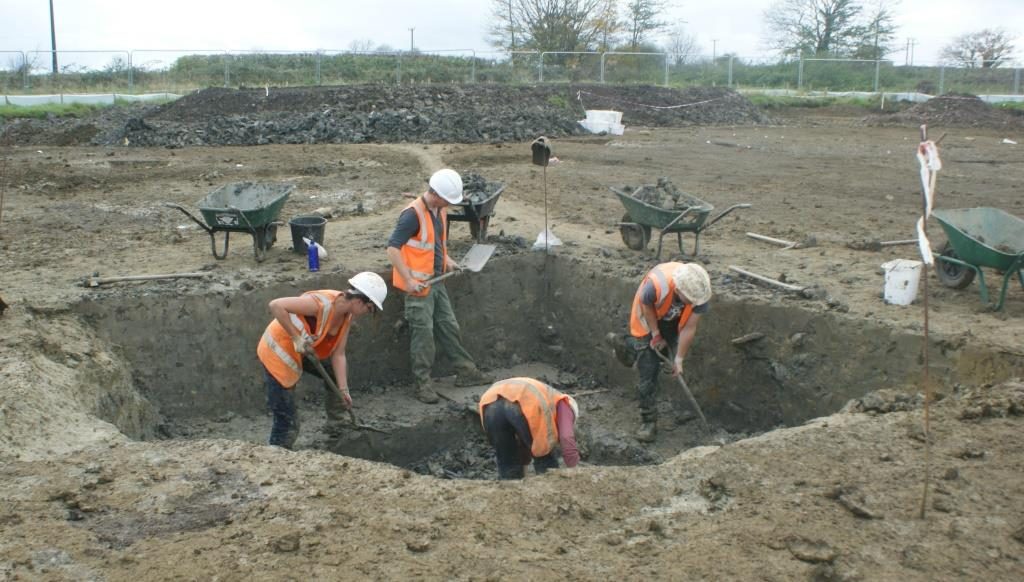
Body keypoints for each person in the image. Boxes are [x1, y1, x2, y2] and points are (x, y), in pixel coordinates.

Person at [386, 168, 492, 404]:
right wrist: (410, 280)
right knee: (423, 337)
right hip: (419, 287)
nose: (450, 205)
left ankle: (466, 371)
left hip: (436, 280)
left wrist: (449, 261)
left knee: (448, 326)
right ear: (435, 193)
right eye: (448, 200)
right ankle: (422, 384)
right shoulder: (411, 215)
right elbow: (392, 249)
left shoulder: (439, 210)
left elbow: (435, 246)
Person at [256, 272, 387, 449]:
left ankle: (337, 424)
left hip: (303, 351)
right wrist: (296, 338)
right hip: (278, 352)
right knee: (288, 423)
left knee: (334, 374)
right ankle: (276, 459)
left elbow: (338, 354)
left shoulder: (346, 316)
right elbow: (276, 305)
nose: (366, 313)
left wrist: (343, 390)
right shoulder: (321, 304)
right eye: (369, 309)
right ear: (358, 301)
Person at [607, 262, 712, 443]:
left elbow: (689, 328)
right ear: (679, 290)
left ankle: (638, 351)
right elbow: (647, 307)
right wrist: (655, 335)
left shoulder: (700, 294)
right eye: (690, 300)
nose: (694, 303)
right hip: (647, 317)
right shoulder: (655, 286)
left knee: (665, 357)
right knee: (648, 367)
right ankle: (648, 421)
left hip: (671, 320)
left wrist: (679, 359)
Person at [478, 378, 580, 480]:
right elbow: (566, 437)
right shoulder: (564, 404)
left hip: (490, 401)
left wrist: (524, 468)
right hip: (523, 399)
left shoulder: (547, 397)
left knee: (508, 462)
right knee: (545, 457)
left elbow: (525, 439)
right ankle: (548, 489)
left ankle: (511, 490)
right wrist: (576, 471)